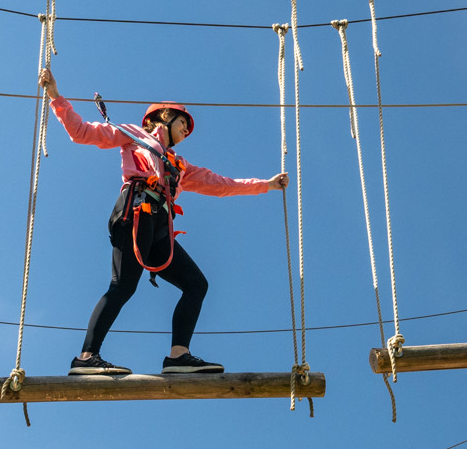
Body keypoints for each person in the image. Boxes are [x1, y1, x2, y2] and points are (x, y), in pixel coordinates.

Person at [39, 65, 287, 376]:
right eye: (184, 122)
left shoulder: (180, 166)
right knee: (122, 286)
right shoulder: (133, 135)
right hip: (135, 213)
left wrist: (266, 184)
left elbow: (221, 184)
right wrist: (56, 96)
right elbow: (82, 132)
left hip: (158, 226)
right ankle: (87, 357)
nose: (186, 131)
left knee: (196, 284)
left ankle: (178, 357)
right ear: (165, 117)